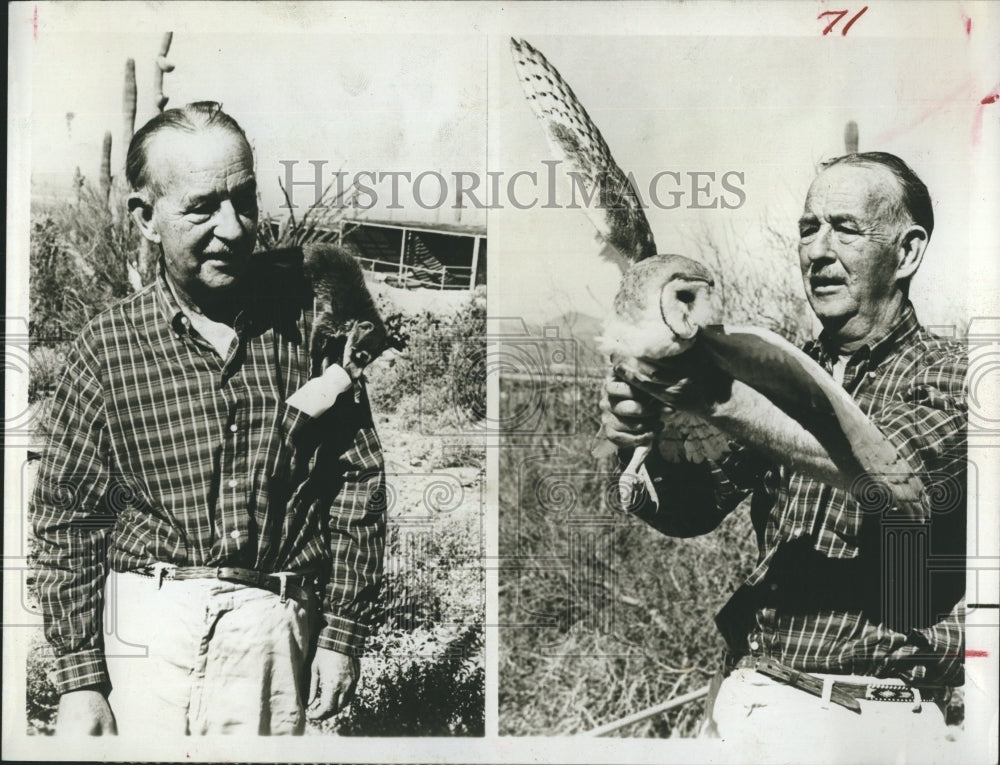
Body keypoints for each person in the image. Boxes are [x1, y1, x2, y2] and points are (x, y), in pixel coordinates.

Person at [30, 102, 386, 736]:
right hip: (144, 634)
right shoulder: (107, 347)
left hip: (272, 628)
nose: (234, 228)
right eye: (202, 208)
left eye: (244, 200)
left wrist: (343, 634)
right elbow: (67, 518)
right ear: (145, 218)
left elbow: (356, 482)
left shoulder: (310, 327)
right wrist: (81, 681)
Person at [601, 152, 966, 748]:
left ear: (907, 253)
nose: (818, 250)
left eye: (845, 228)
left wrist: (722, 400)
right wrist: (642, 445)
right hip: (747, 699)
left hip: (861, 720)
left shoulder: (954, 378)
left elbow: (899, 483)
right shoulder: (777, 372)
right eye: (807, 228)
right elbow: (692, 508)